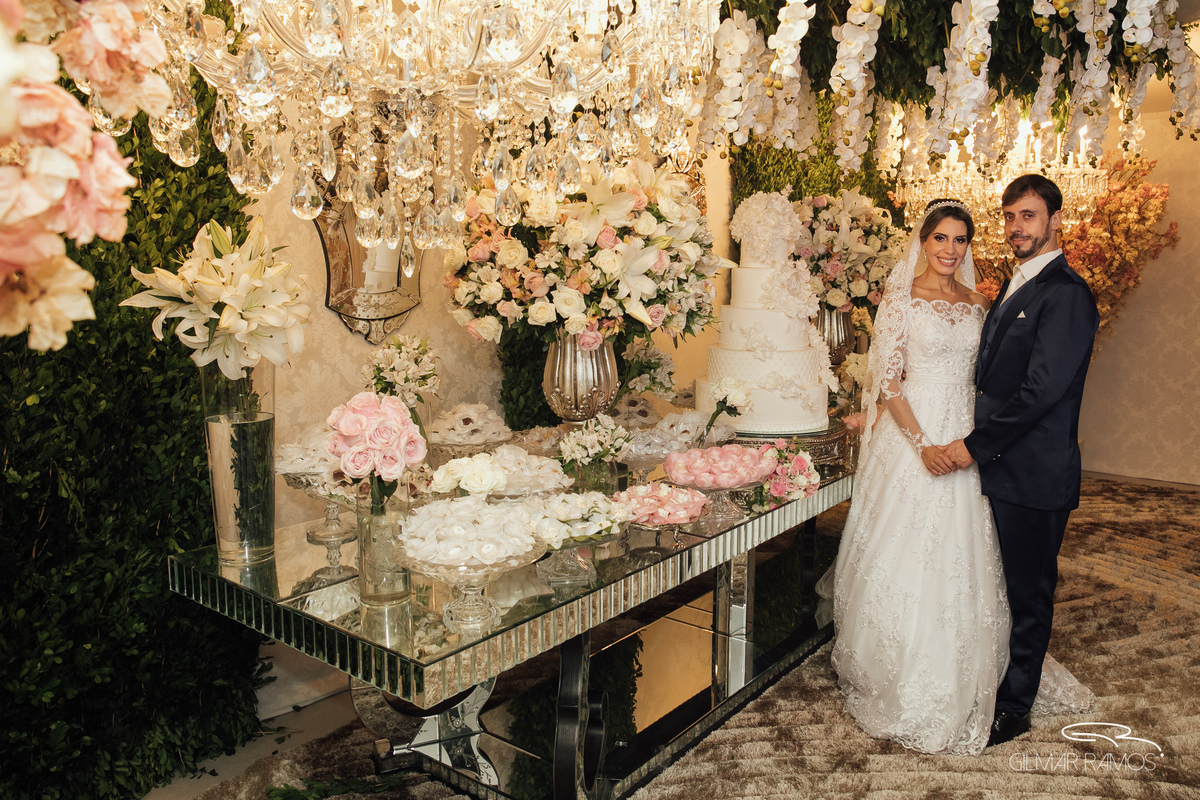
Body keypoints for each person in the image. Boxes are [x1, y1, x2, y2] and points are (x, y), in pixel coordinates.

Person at [823, 199, 1011, 755]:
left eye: (960, 241)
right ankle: (894, 661)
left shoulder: (980, 304)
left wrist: (973, 440)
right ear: (923, 242)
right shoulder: (902, 302)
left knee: (961, 546)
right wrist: (925, 445)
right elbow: (889, 382)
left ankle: (961, 658)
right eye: (941, 239)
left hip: (964, 431)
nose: (950, 250)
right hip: (913, 435)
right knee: (902, 546)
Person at [943, 175, 1100, 747]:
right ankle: (992, 682)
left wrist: (971, 446)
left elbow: (1041, 393)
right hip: (1000, 468)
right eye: (1009, 217)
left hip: (1033, 473)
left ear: (1055, 219)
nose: (1016, 228)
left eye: (1028, 217)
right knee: (997, 586)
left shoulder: (1068, 294)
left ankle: (1015, 707)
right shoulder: (1014, 283)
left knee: (1029, 595)